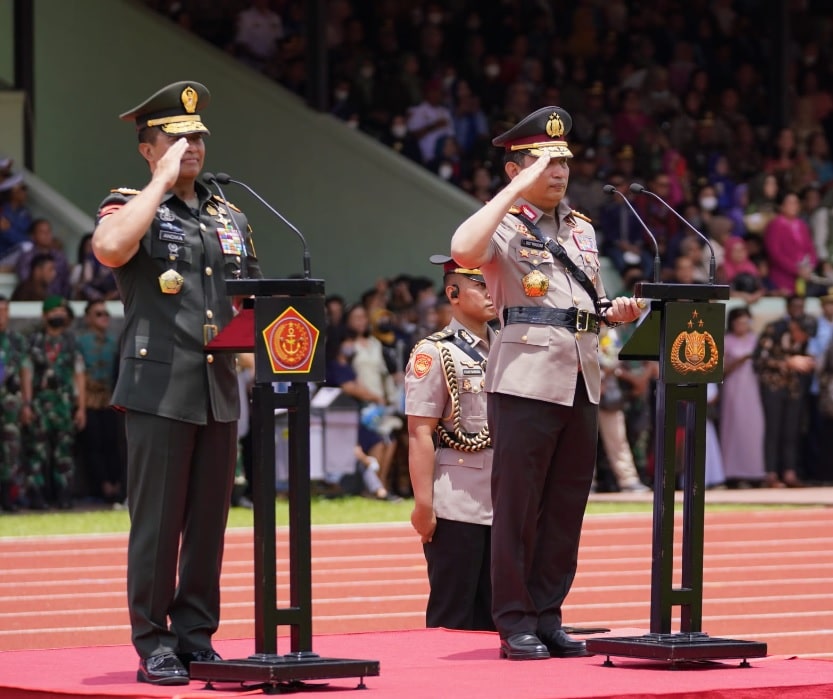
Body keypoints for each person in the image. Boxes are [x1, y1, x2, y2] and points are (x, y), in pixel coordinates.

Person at [450, 106, 643, 660]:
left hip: (581, 377)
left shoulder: (580, 228)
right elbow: (464, 250)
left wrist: (615, 311)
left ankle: (549, 613)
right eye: (543, 162)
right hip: (525, 379)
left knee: (565, 507)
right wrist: (513, 195)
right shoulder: (504, 225)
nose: (558, 172)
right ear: (515, 170)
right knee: (517, 506)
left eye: (562, 161)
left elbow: (585, 299)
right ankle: (514, 621)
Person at [91, 81, 261, 685]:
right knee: (159, 524)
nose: (190, 145)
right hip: (159, 386)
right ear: (147, 148)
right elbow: (109, 250)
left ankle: (196, 635)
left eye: (197, 136)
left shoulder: (229, 214)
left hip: (217, 386)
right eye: (175, 136)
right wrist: (161, 182)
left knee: (209, 523)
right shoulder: (129, 205)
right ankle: (154, 641)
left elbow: (252, 300)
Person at [405, 254, 497, 631]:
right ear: (454, 293)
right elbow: (419, 431)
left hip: (506, 500)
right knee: (453, 615)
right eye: (481, 285)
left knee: (501, 617)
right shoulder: (435, 352)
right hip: (458, 501)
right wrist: (424, 505)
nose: (492, 292)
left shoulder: (507, 346)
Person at [25, 295, 86, 510]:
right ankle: (37, 496)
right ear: (44, 316)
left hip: (64, 405)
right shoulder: (34, 341)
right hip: (41, 404)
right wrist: (27, 403)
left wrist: (81, 408)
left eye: (61, 311)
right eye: (53, 312)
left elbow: (79, 374)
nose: (58, 315)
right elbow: (27, 371)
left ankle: (64, 496)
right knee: (37, 452)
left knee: (64, 453)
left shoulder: (71, 342)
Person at [75, 299, 123, 503]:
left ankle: (115, 486)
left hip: (110, 400)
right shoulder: (81, 342)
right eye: (98, 314)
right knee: (93, 445)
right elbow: (78, 373)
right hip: (89, 401)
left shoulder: (114, 342)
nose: (104, 318)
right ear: (88, 318)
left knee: (113, 443)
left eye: (106, 314)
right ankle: (100, 488)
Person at [0, 295, 33, 511]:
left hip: (10, 405)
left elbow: (25, 371)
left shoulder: (16, 340)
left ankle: (9, 499)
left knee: (11, 452)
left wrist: (27, 403)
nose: (2, 315)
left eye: (5, 310)